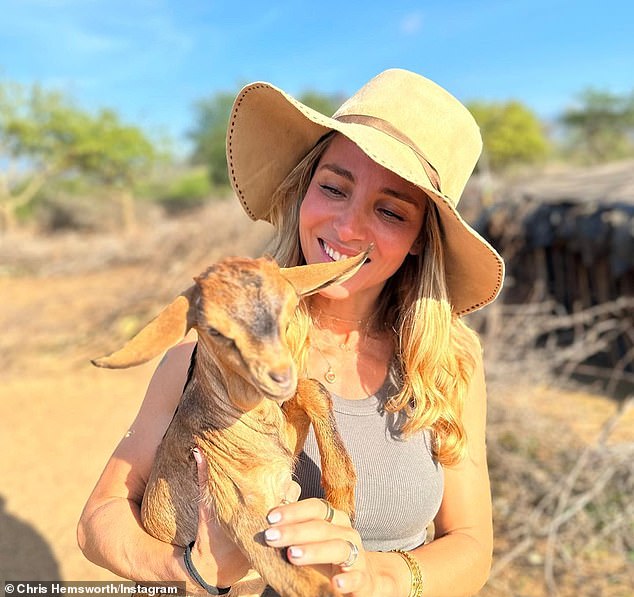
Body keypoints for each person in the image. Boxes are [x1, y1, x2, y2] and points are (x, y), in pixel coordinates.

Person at [78, 68, 504, 597]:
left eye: (391, 211)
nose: (348, 228)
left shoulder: (448, 364)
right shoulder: (206, 355)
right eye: (333, 187)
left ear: (420, 238)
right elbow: (100, 516)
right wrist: (190, 570)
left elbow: (470, 542)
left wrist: (378, 577)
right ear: (305, 191)